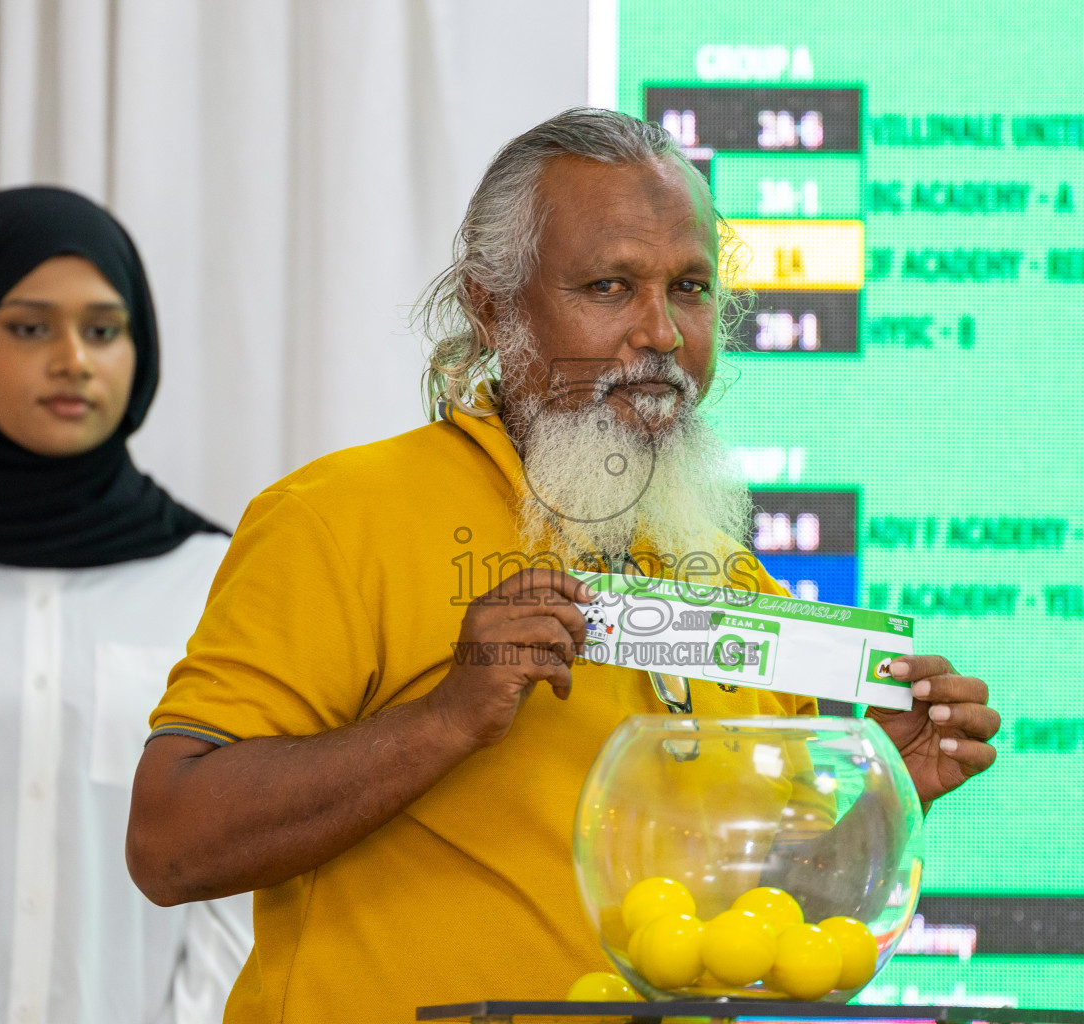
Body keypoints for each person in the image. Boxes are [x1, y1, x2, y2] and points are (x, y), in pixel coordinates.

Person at [127, 109, 1001, 1022]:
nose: (661, 333)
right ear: (491, 307)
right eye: (610, 286)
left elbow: (736, 936)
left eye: (690, 288)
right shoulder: (336, 517)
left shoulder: (732, 579)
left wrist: (881, 804)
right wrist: (446, 719)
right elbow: (168, 844)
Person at [0, 187, 250, 1024]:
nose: (73, 360)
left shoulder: (214, 579)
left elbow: (236, 886)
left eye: (103, 330)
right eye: (30, 328)